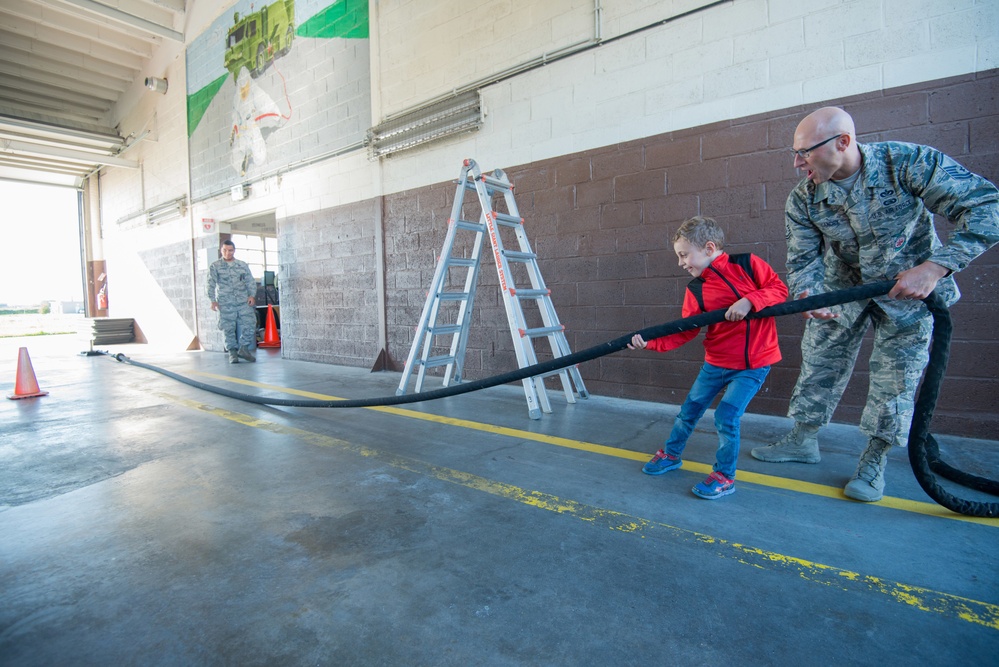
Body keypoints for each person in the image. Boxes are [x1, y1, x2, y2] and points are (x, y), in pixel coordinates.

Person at [751, 106, 999, 502]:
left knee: (896, 378)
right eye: (794, 153)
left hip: (911, 291)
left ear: (843, 143)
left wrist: (936, 268)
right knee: (820, 359)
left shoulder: (907, 163)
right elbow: (803, 259)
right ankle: (803, 439)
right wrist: (807, 293)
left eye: (805, 152)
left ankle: (873, 461)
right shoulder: (804, 198)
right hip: (843, 286)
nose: (797, 163)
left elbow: (988, 207)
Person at [629, 216, 788, 499]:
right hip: (716, 362)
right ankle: (671, 454)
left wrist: (750, 300)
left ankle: (724, 476)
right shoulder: (696, 289)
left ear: (709, 248)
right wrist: (650, 343)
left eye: (684, 255)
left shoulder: (748, 265)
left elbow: (779, 290)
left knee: (727, 416)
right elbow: (685, 331)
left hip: (753, 364)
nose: (681, 263)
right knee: (689, 410)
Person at [208, 239, 258, 363]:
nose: (227, 253)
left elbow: (250, 281)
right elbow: (210, 284)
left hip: (243, 301)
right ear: (221, 250)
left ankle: (244, 348)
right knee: (228, 327)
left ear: (234, 251)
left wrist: (252, 295)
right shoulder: (215, 266)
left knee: (250, 323)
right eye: (224, 250)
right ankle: (232, 352)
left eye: (230, 250)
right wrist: (212, 300)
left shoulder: (242, 265)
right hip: (225, 302)